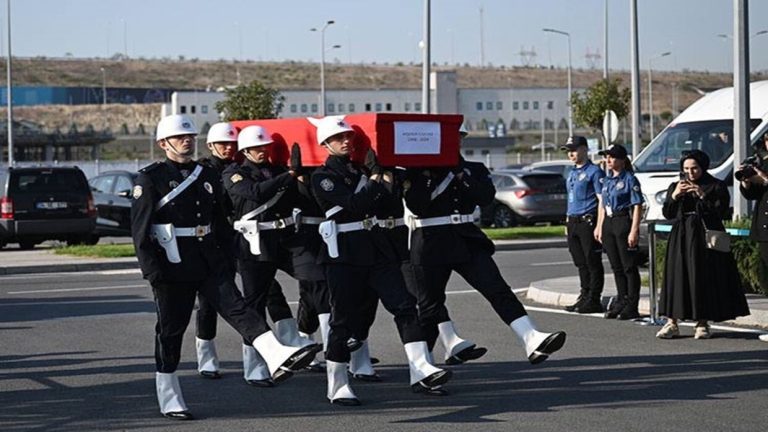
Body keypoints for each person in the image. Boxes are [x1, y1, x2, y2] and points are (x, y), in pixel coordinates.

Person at [132, 114, 320, 420]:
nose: (186, 141)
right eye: (179, 137)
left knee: (239, 309)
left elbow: (219, 222)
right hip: (172, 265)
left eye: (190, 136)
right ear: (163, 143)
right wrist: (153, 272)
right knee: (171, 330)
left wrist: (229, 256)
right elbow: (140, 231)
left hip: (210, 260)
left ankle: (276, 354)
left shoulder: (205, 175)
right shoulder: (150, 178)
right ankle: (169, 395)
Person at [310, 115, 452, 406]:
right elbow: (355, 204)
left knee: (405, 306)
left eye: (348, 136)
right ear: (325, 144)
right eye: (338, 138)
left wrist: (392, 174)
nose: (346, 141)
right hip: (344, 254)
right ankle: (337, 384)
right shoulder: (323, 176)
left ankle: (421, 368)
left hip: (376, 249)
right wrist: (375, 178)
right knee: (342, 319)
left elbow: (385, 202)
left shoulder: (361, 169)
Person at [404, 138, 566, 367]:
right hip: (431, 242)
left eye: (456, 138)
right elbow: (417, 205)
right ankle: (422, 363)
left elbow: (485, 197)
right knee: (430, 306)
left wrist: (460, 173)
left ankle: (530, 337)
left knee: (497, 288)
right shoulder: (418, 172)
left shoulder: (474, 169)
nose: (453, 143)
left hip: (466, 238)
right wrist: (432, 174)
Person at [222, 125, 318, 386]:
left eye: (265, 146)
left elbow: (299, 200)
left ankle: (310, 339)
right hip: (254, 244)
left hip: (285, 240)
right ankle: (254, 367)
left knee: (316, 277)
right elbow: (255, 193)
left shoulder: (277, 170)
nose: (262, 151)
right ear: (245, 151)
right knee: (255, 303)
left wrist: (303, 178)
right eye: (256, 148)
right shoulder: (234, 173)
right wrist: (290, 175)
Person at [656, 150, 750, 339]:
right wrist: (675, 196)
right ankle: (672, 322)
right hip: (681, 235)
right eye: (686, 169)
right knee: (677, 276)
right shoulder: (676, 185)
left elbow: (720, 212)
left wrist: (702, 195)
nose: (690, 173)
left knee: (702, 277)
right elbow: (668, 213)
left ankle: (702, 322)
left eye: (694, 168)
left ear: (703, 167)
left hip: (704, 237)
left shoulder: (716, 185)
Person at [192, 122, 239, 379]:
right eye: (223, 144)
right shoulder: (201, 171)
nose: (228, 148)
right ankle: (207, 357)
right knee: (209, 303)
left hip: (238, 237)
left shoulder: (240, 168)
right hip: (211, 241)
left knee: (263, 295)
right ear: (211, 145)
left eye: (232, 143)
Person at [595, 144, 644, 320]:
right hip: (609, 222)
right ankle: (621, 299)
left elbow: (637, 205)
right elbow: (602, 204)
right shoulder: (607, 180)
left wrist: (634, 230)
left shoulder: (630, 179)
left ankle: (632, 304)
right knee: (616, 266)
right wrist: (600, 226)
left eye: (612, 157)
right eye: (606, 156)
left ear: (622, 160)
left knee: (628, 266)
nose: (608, 160)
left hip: (623, 221)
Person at [562, 136, 605, 314]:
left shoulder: (594, 172)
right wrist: (567, 220)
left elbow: (602, 200)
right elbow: (571, 199)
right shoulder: (571, 172)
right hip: (573, 221)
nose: (571, 154)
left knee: (592, 261)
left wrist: (599, 225)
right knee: (580, 262)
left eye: (574, 149)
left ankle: (594, 298)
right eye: (568, 151)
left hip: (588, 220)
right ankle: (584, 295)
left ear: (584, 149)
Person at [737, 133, 768, 343]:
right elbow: (753, 194)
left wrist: (764, 178)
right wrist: (747, 182)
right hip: (764, 229)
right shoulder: (762, 163)